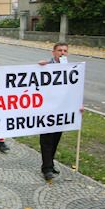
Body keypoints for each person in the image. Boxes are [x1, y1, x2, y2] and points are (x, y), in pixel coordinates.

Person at [38, 42, 69, 180]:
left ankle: (49, 164)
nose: (62, 53)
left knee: (56, 139)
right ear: (53, 52)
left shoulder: (70, 68)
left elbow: (74, 89)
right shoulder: (46, 66)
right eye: (59, 50)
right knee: (47, 140)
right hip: (47, 110)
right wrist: (39, 67)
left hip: (61, 110)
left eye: (65, 51)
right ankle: (47, 168)